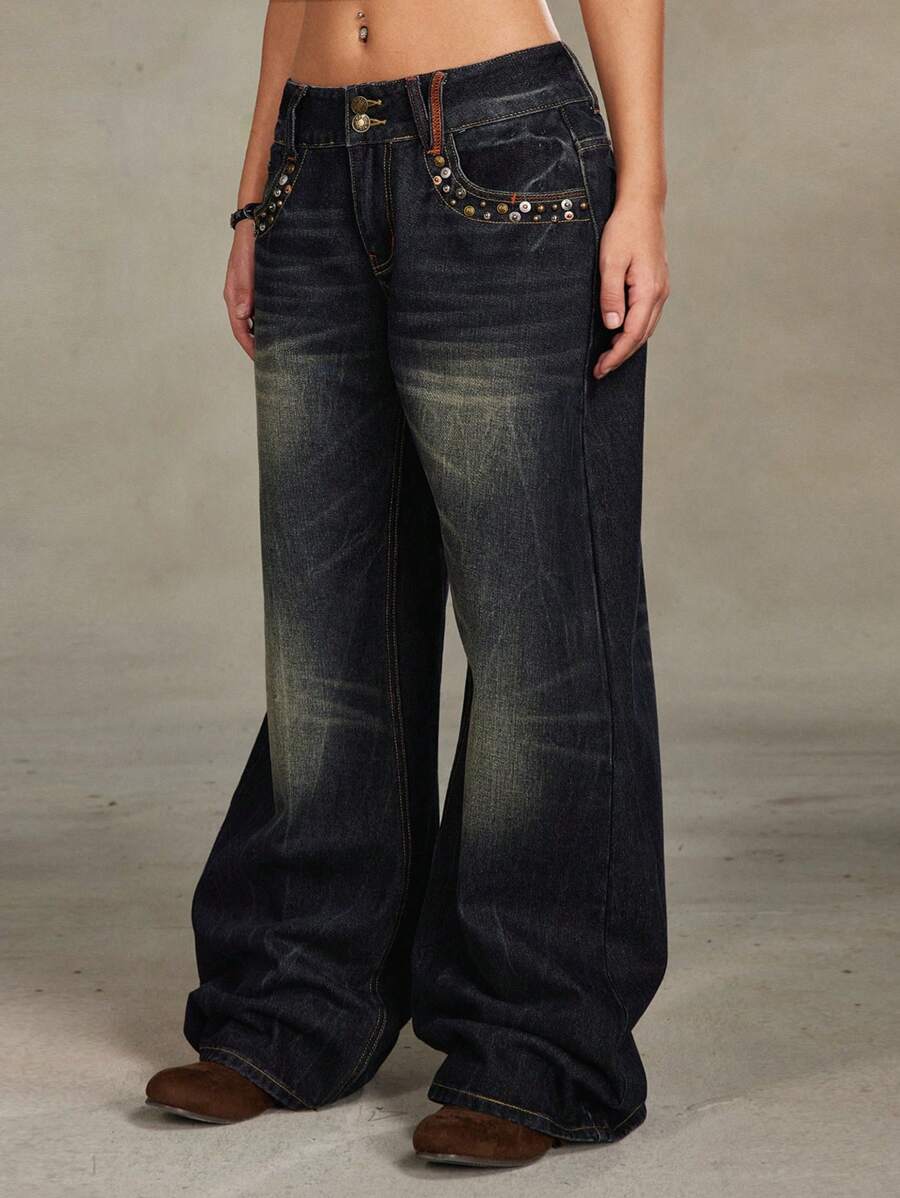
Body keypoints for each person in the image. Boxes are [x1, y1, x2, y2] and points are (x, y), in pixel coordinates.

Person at [145, 0, 669, 1169]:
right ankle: (296, 1003)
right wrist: (257, 194)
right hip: (312, 164)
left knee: (539, 640)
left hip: (500, 148)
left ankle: (534, 1043)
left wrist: (643, 191)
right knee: (325, 635)